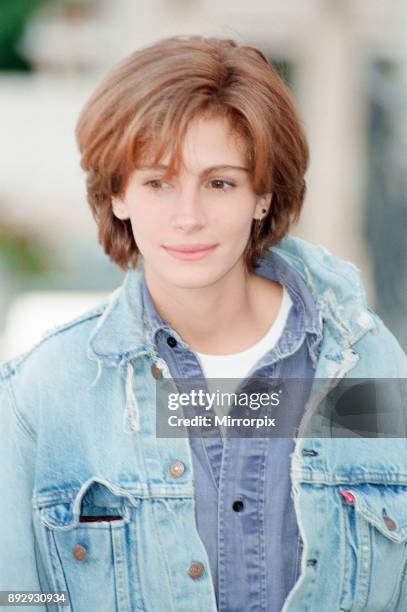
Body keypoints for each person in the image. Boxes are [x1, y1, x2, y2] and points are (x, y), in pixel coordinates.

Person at [0, 35, 406, 612]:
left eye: (220, 183)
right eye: (158, 182)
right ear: (118, 194)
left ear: (262, 196)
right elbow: (15, 596)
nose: (188, 217)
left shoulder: (366, 367)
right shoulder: (46, 393)